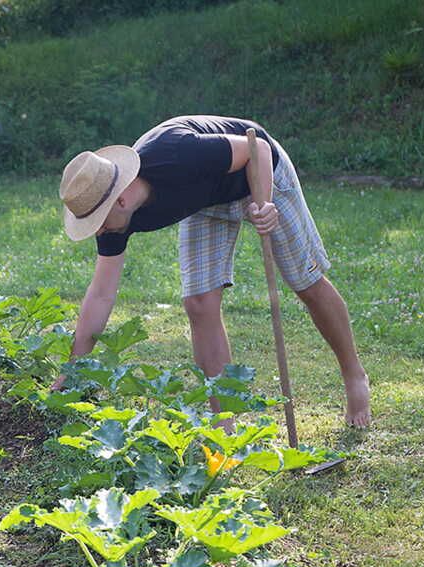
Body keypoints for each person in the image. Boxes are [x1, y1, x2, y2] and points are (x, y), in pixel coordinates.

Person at [57, 115, 370, 428]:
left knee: (307, 283)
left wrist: (265, 204)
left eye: (97, 223)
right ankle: (224, 425)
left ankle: (354, 375)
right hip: (204, 201)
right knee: (199, 303)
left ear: (121, 199)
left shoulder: (176, 153)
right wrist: (71, 371)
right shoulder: (114, 220)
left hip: (258, 174)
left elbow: (256, 147)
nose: (98, 233)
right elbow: (101, 294)